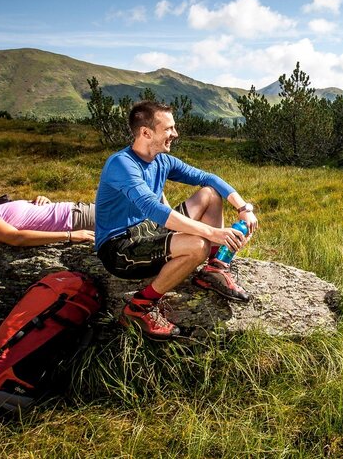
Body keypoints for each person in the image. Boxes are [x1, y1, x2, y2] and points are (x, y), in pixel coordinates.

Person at [95, 100, 258, 340]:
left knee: (210, 195)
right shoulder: (121, 164)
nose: (175, 134)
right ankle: (139, 307)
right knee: (197, 245)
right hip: (119, 247)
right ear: (146, 132)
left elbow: (208, 178)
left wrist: (244, 207)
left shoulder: (162, 160)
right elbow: (153, 208)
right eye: (169, 129)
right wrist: (213, 234)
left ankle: (214, 269)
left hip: (148, 231)